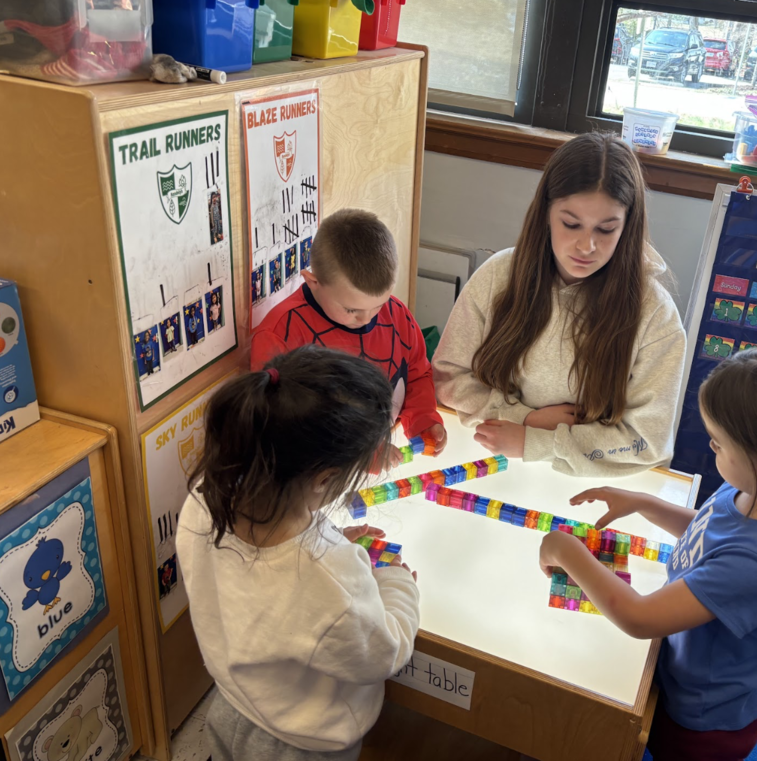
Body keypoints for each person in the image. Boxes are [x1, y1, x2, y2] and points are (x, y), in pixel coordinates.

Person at [539, 342, 757, 760]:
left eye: (718, 444)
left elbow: (639, 618)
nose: (712, 450)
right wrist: (644, 503)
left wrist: (564, 550)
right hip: (687, 673)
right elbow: (714, 531)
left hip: (703, 722)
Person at [178, 346, 420, 761]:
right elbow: (383, 652)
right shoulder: (330, 579)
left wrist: (332, 539)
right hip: (302, 743)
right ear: (324, 479)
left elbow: (268, 586)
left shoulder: (204, 502)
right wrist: (396, 584)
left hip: (231, 706)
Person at [432, 132, 685, 476]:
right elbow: (448, 377)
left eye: (606, 230)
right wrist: (524, 421)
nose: (586, 246)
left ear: (628, 227)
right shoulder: (499, 275)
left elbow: (647, 442)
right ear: (546, 213)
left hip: (582, 483)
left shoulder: (655, 314)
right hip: (491, 456)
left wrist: (535, 441)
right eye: (571, 224)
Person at [251, 209, 447, 467]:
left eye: (378, 305)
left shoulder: (397, 314)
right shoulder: (281, 334)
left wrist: (424, 419)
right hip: (319, 473)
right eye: (351, 310)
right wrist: (358, 455)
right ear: (313, 282)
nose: (366, 319)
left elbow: (416, 374)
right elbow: (282, 425)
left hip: (382, 453)